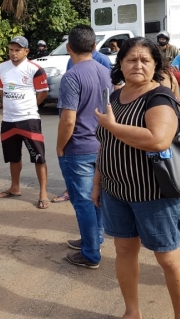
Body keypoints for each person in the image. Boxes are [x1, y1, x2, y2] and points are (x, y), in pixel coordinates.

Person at [94, 37, 180, 319]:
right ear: (120, 64)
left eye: (145, 60)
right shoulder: (113, 96)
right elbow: (105, 143)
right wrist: (98, 183)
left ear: (156, 65)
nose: (137, 65)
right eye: (131, 59)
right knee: (123, 249)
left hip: (154, 194)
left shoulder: (159, 96)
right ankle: (132, 312)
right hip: (116, 191)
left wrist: (112, 125)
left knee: (168, 258)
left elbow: (158, 140)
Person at [57, 25, 112, 269]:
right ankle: (94, 239)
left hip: (78, 146)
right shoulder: (106, 71)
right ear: (93, 47)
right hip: (102, 144)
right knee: (95, 198)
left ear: (69, 48)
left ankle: (91, 253)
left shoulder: (72, 75)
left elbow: (68, 119)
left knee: (83, 202)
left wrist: (60, 147)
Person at [0, 36, 50, 208]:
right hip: (8, 120)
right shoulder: (2, 67)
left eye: (17, 50)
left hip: (29, 119)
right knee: (13, 157)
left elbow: (43, 93)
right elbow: (0, 90)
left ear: (26, 51)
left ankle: (43, 193)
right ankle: (15, 187)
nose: (13, 53)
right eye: (11, 49)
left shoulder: (35, 69)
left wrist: (29, 106)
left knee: (38, 157)